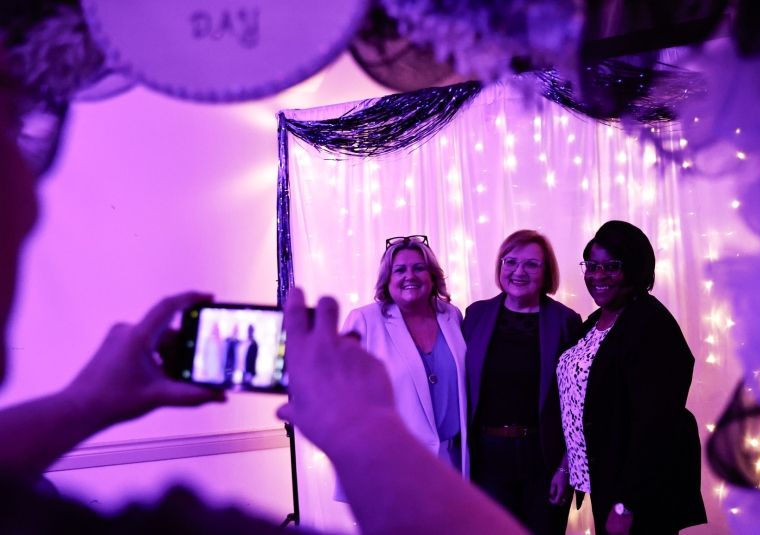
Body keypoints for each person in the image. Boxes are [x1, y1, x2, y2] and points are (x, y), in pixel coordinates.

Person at [0, 59, 527, 535]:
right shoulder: (369, 320)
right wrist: (361, 427)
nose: (32, 205)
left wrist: (80, 405)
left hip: (461, 457)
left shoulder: (457, 316)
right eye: (16, 134)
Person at [556, 220, 706, 535]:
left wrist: (626, 503)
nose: (598, 276)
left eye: (612, 266)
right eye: (592, 266)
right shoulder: (597, 321)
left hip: (639, 491)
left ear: (637, 269)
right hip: (605, 478)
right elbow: (582, 402)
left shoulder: (651, 325)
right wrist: (566, 464)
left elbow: (655, 427)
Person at [463, 229, 581, 534]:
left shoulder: (565, 321)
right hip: (487, 457)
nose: (518, 271)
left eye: (531, 264)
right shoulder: (475, 315)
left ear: (547, 272)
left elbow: (575, 403)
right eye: (510, 261)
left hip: (543, 457)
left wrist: (566, 466)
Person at [342, 235, 468, 473]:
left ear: (432, 276)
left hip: (452, 462)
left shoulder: (452, 316)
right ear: (387, 279)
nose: (410, 276)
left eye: (419, 268)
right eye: (400, 270)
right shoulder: (364, 321)